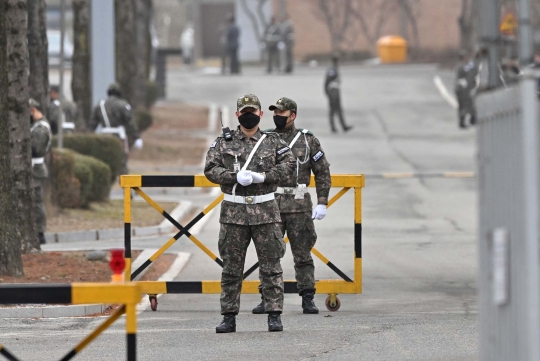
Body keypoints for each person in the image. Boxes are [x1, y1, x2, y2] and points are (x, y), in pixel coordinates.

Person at [204, 94, 296, 333]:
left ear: (260, 114)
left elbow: (290, 166)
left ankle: (274, 314)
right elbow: (210, 169)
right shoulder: (223, 142)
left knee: (271, 266)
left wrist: (264, 177)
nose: (249, 115)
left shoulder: (272, 141)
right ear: (237, 115)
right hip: (234, 213)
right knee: (231, 268)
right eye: (244, 111)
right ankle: (229, 316)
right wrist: (233, 177)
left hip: (265, 211)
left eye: (253, 111)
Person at [251, 97, 331, 315]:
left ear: (292, 116)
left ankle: (307, 297)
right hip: (271, 205)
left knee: (303, 254)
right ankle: (267, 298)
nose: (277, 117)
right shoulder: (265, 139)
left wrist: (322, 202)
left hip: (299, 205)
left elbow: (322, 171)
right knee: (269, 255)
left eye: (282, 114)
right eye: (275, 113)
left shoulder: (307, 141)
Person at [89, 83, 143, 175]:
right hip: (119, 137)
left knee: (105, 161)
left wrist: (88, 137)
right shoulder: (123, 105)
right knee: (122, 162)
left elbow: (92, 124)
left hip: (104, 137)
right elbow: (130, 122)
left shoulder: (100, 105)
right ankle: (125, 186)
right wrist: (136, 137)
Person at [29, 98, 52, 245]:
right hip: (33, 168)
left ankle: (40, 232)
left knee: (37, 201)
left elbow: (36, 149)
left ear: (33, 110)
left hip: (36, 169)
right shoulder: (36, 126)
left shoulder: (41, 128)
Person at [324, 54, 353, 133]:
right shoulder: (332, 68)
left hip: (336, 91)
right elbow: (328, 80)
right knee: (333, 110)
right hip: (333, 92)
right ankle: (333, 127)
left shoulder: (334, 67)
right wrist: (327, 91)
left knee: (339, 109)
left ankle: (343, 126)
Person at [454, 50, 478, 129]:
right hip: (464, 89)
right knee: (467, 104)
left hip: (460, 88)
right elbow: (472, 67)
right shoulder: (463, 66)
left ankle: (464, 120)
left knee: (463, 105)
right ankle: (470, 120)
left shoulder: (459, 66)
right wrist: (475, 59)